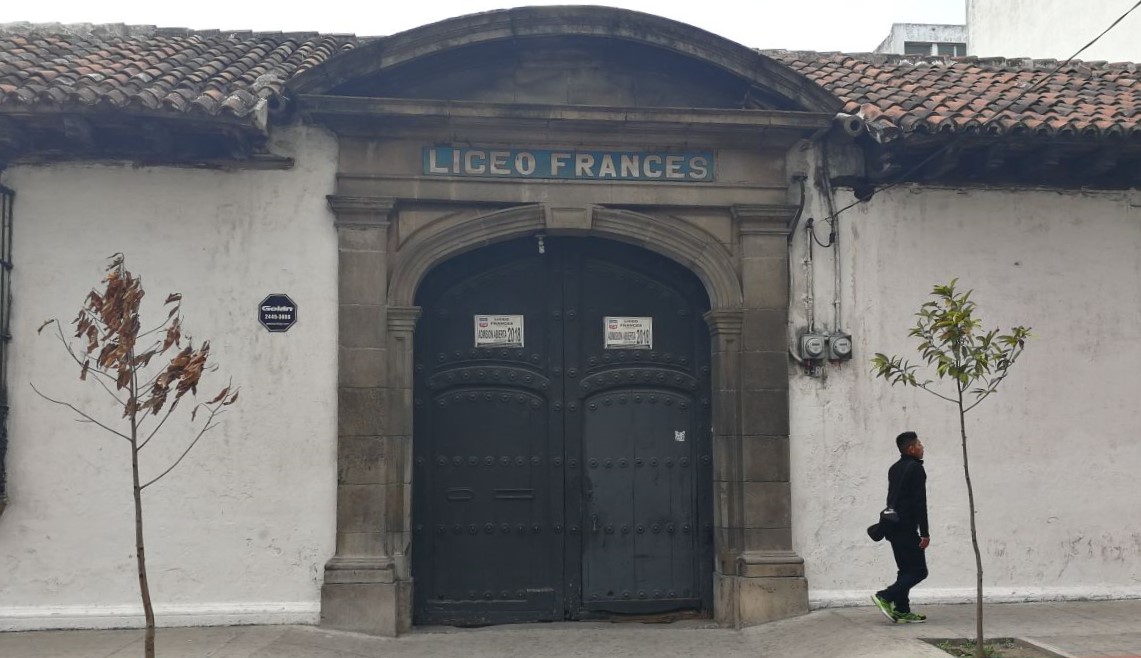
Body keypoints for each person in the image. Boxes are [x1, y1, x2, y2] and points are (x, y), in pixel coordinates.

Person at [872, 431, 930, 623]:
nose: (922, 447)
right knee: (919, 571)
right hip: (906, 527)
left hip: (892, 526)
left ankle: (902, 610)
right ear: (911, 449)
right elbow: (919, 503)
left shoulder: (894, 468)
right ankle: (885, 596)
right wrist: (925, 533)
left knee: (905, 570)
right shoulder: (916, 469)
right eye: (919, 444)